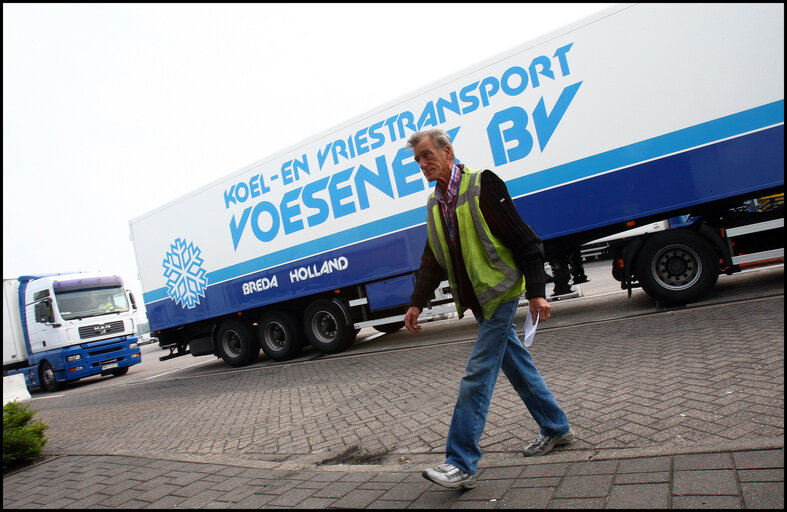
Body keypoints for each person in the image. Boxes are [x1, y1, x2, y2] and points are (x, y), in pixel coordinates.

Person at [403, 129, 574, 490]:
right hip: (479, 301)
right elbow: (433, 257)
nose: (422, 164)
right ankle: (556, 427)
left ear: (447, 152)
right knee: (517, 366)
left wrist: (537, 293)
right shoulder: (435, 204)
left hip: (501, 293)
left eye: (427, 155)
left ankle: (461, 462)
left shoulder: (483, 185)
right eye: (418, 159)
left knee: (477, 375)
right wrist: (417, 302)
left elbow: (524, 239)